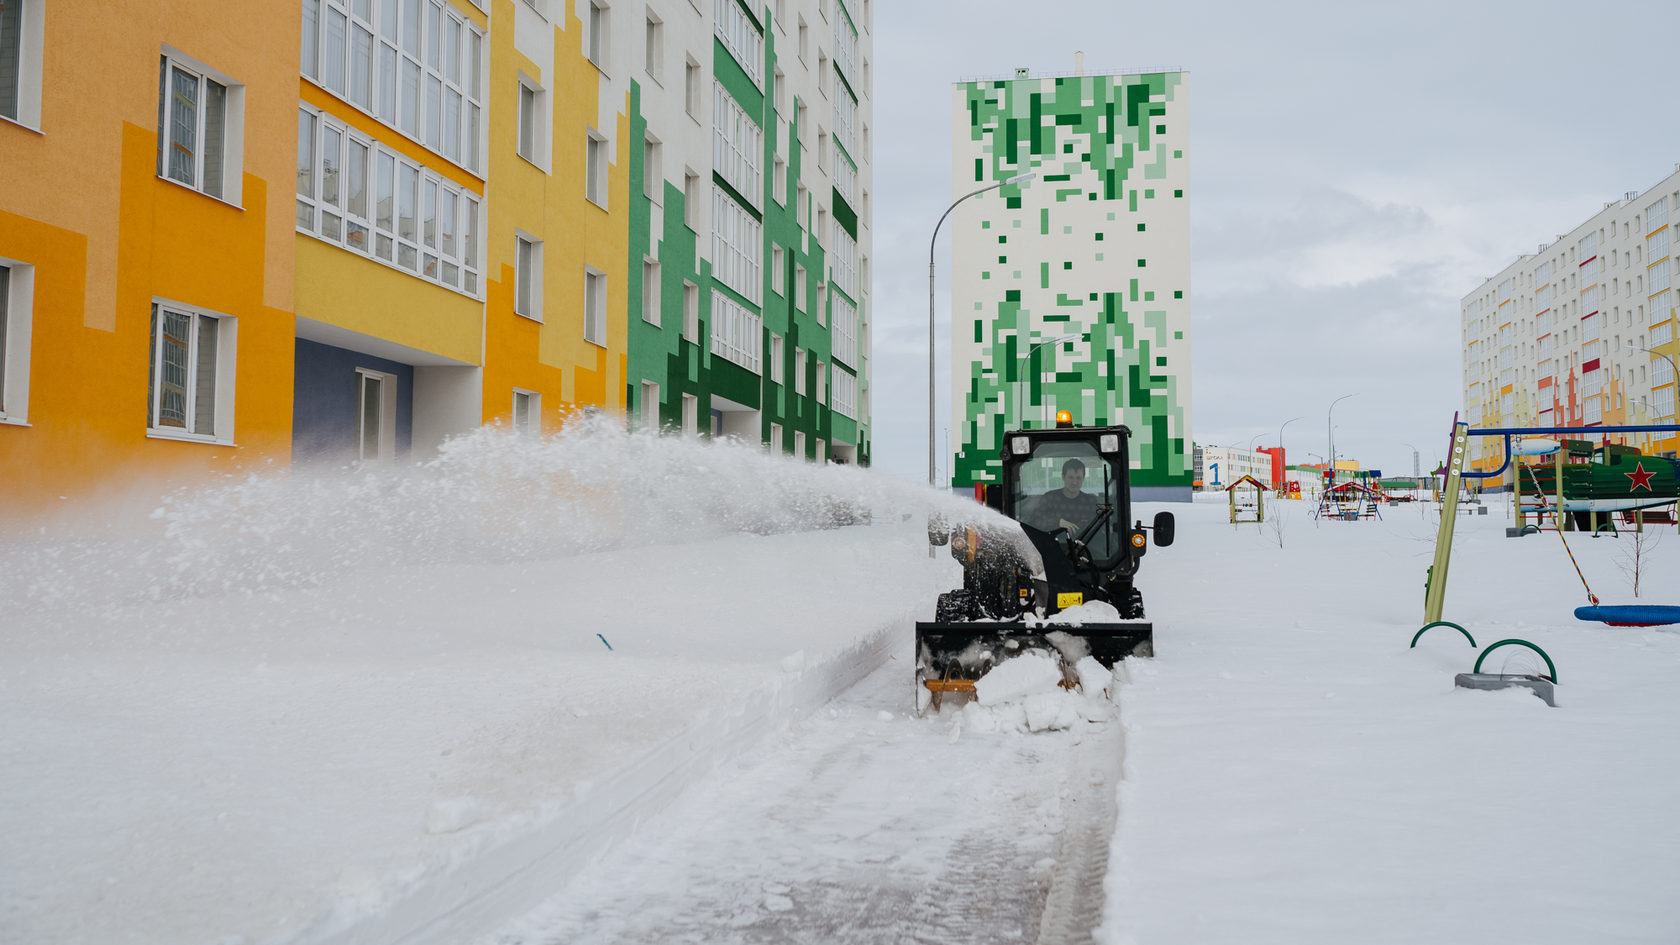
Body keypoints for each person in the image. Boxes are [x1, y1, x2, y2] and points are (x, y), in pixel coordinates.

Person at [1030, 458, 1101, 533]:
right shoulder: (1050, 498)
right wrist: (1057, 522)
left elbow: (1099, 526)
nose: (1074, 482)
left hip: (1085, 543)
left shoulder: (1090, 501)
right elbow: (1034, 522)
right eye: (1070, 477)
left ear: (1083, 478)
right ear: (1063, 477)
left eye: (1078, 478)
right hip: (1053, 543)